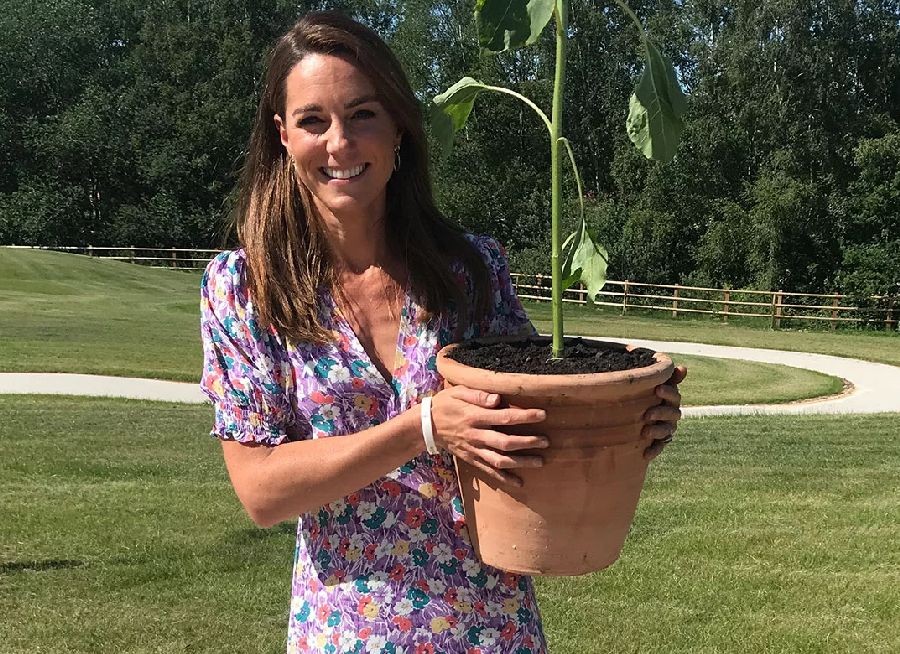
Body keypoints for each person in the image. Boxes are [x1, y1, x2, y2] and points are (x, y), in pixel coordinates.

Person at [199, 11, 686, 654]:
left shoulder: (470, 269)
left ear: (399, 126)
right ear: (283, 135)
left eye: (363, 113)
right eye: (314, 120)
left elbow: (541, 429)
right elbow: (260, 490)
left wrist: (631, 425)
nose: (340, 142)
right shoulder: (248, 288)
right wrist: (423, 427)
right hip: (346, 630)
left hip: (489, 625)